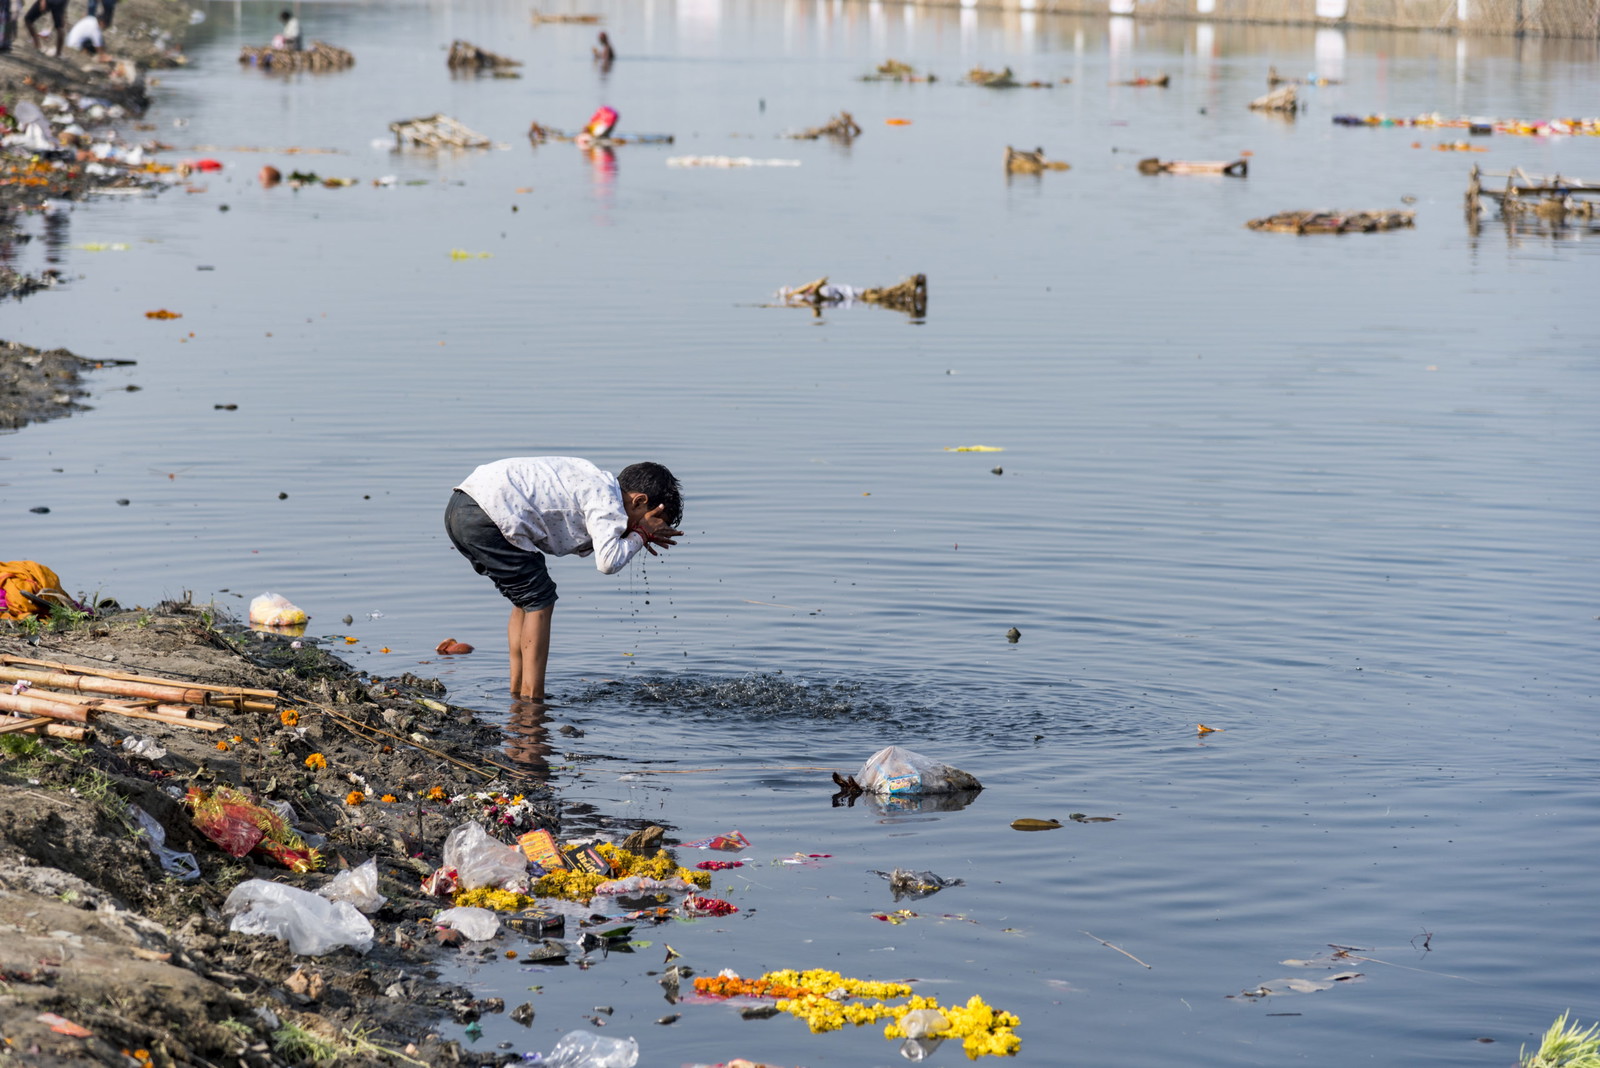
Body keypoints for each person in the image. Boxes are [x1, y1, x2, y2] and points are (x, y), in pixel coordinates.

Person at [445, 457, 683, 701]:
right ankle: (532, 699)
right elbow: (608, 563)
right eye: (645, 519)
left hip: (462, 506)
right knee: (540, 599)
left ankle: (517, 693)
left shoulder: (594, 481)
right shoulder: (608, 502)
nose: (633, 527)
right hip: (488, 514)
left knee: (525, 599)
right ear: (639, 500)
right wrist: (641, 534)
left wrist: (638, 531)